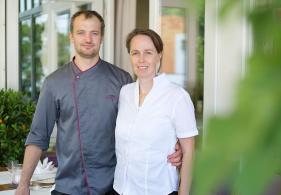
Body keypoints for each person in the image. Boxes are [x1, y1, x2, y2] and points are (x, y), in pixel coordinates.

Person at [15, 11, 181, 195]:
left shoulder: (121, 80)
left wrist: (174, 146)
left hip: (113, 187)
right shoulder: (53, 83)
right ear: (71, 36)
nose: (88, 39)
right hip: (68, 188)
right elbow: (38, 136)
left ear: (101, 37)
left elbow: (144, 125)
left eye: (94, 33)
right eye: (81, 32)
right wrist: (24, 183)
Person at [113, 28, 198, 195]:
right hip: (121, 189)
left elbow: (189, 152)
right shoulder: (125, 93)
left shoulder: (177, 97)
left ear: (159, 54)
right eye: (135, 53)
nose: (141, 59)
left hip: (158, 190)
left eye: (148, 52)